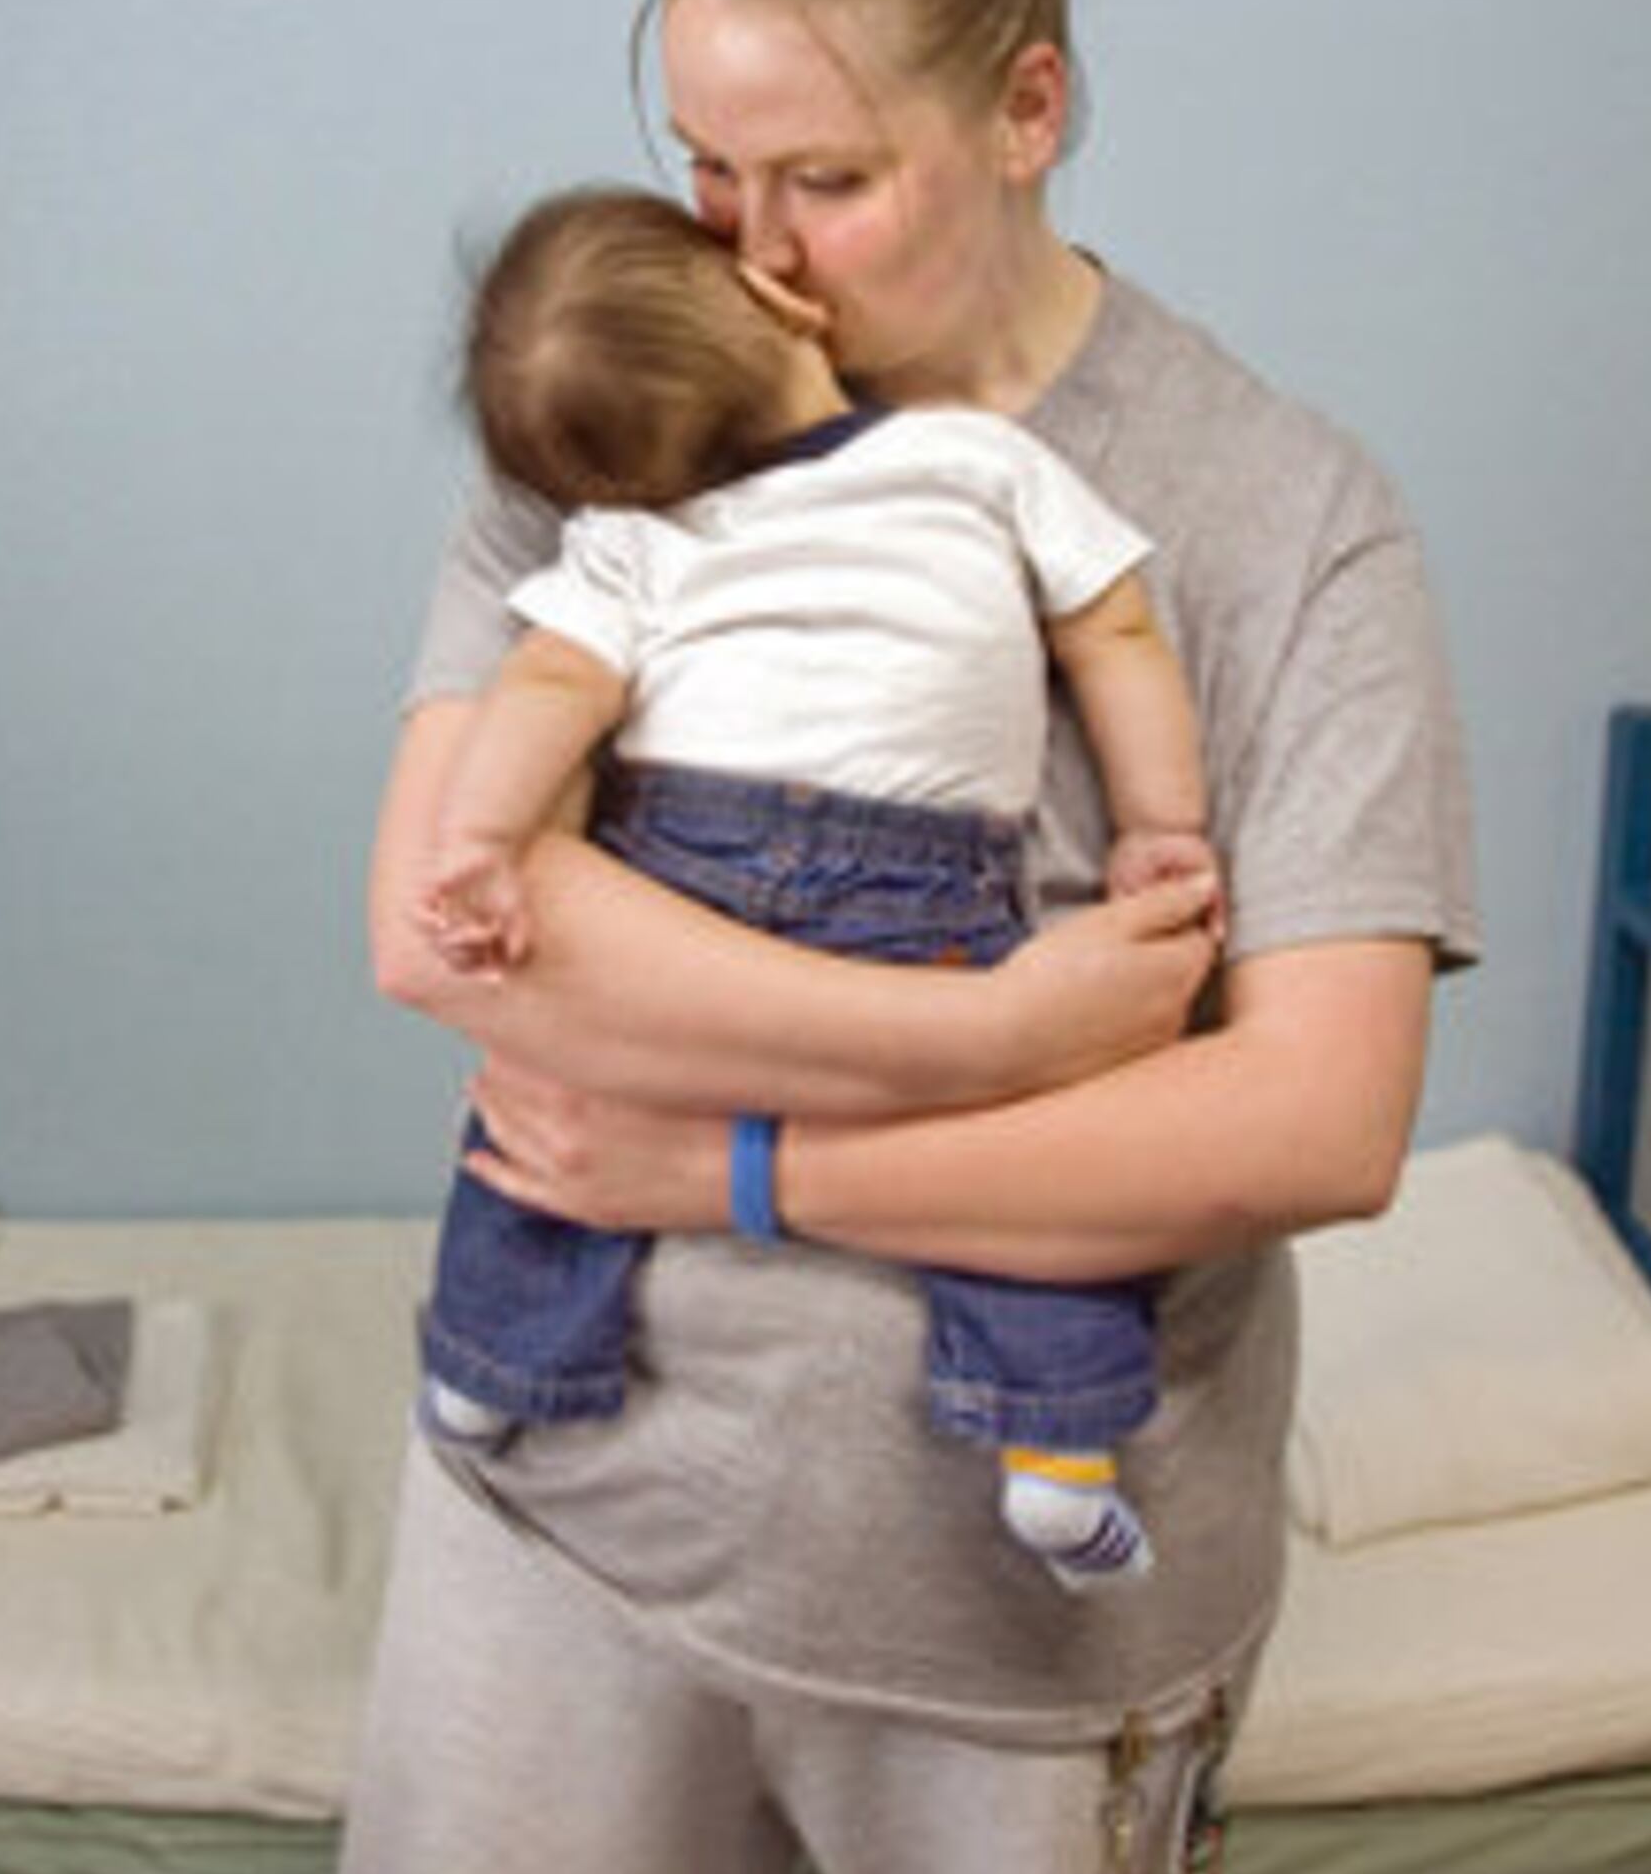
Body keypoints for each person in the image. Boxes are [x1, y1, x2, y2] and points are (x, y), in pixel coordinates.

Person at [344, 0, 1479, 1874]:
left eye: (827, 183)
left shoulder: (1277, 512)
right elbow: (453, 919)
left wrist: (732, 1161)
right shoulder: (626, 401)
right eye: (702, 171)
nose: (748, 259)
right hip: (579, 1514)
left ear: (1026, 115)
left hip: (1021, 1610)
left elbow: (1308, 1130)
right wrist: (998, 1036)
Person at [410, 183, 1222, 1590]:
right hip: (928, 880)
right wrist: (1161, 824)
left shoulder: (639, 537)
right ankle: (1055, 1450)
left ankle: (493, 1362)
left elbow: (550, 682)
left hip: (687, 854)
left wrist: (477, 842)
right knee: (1015, 1143)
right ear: (775, 301)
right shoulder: (973, 456)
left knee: (566, 1099)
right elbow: (1118, 629)